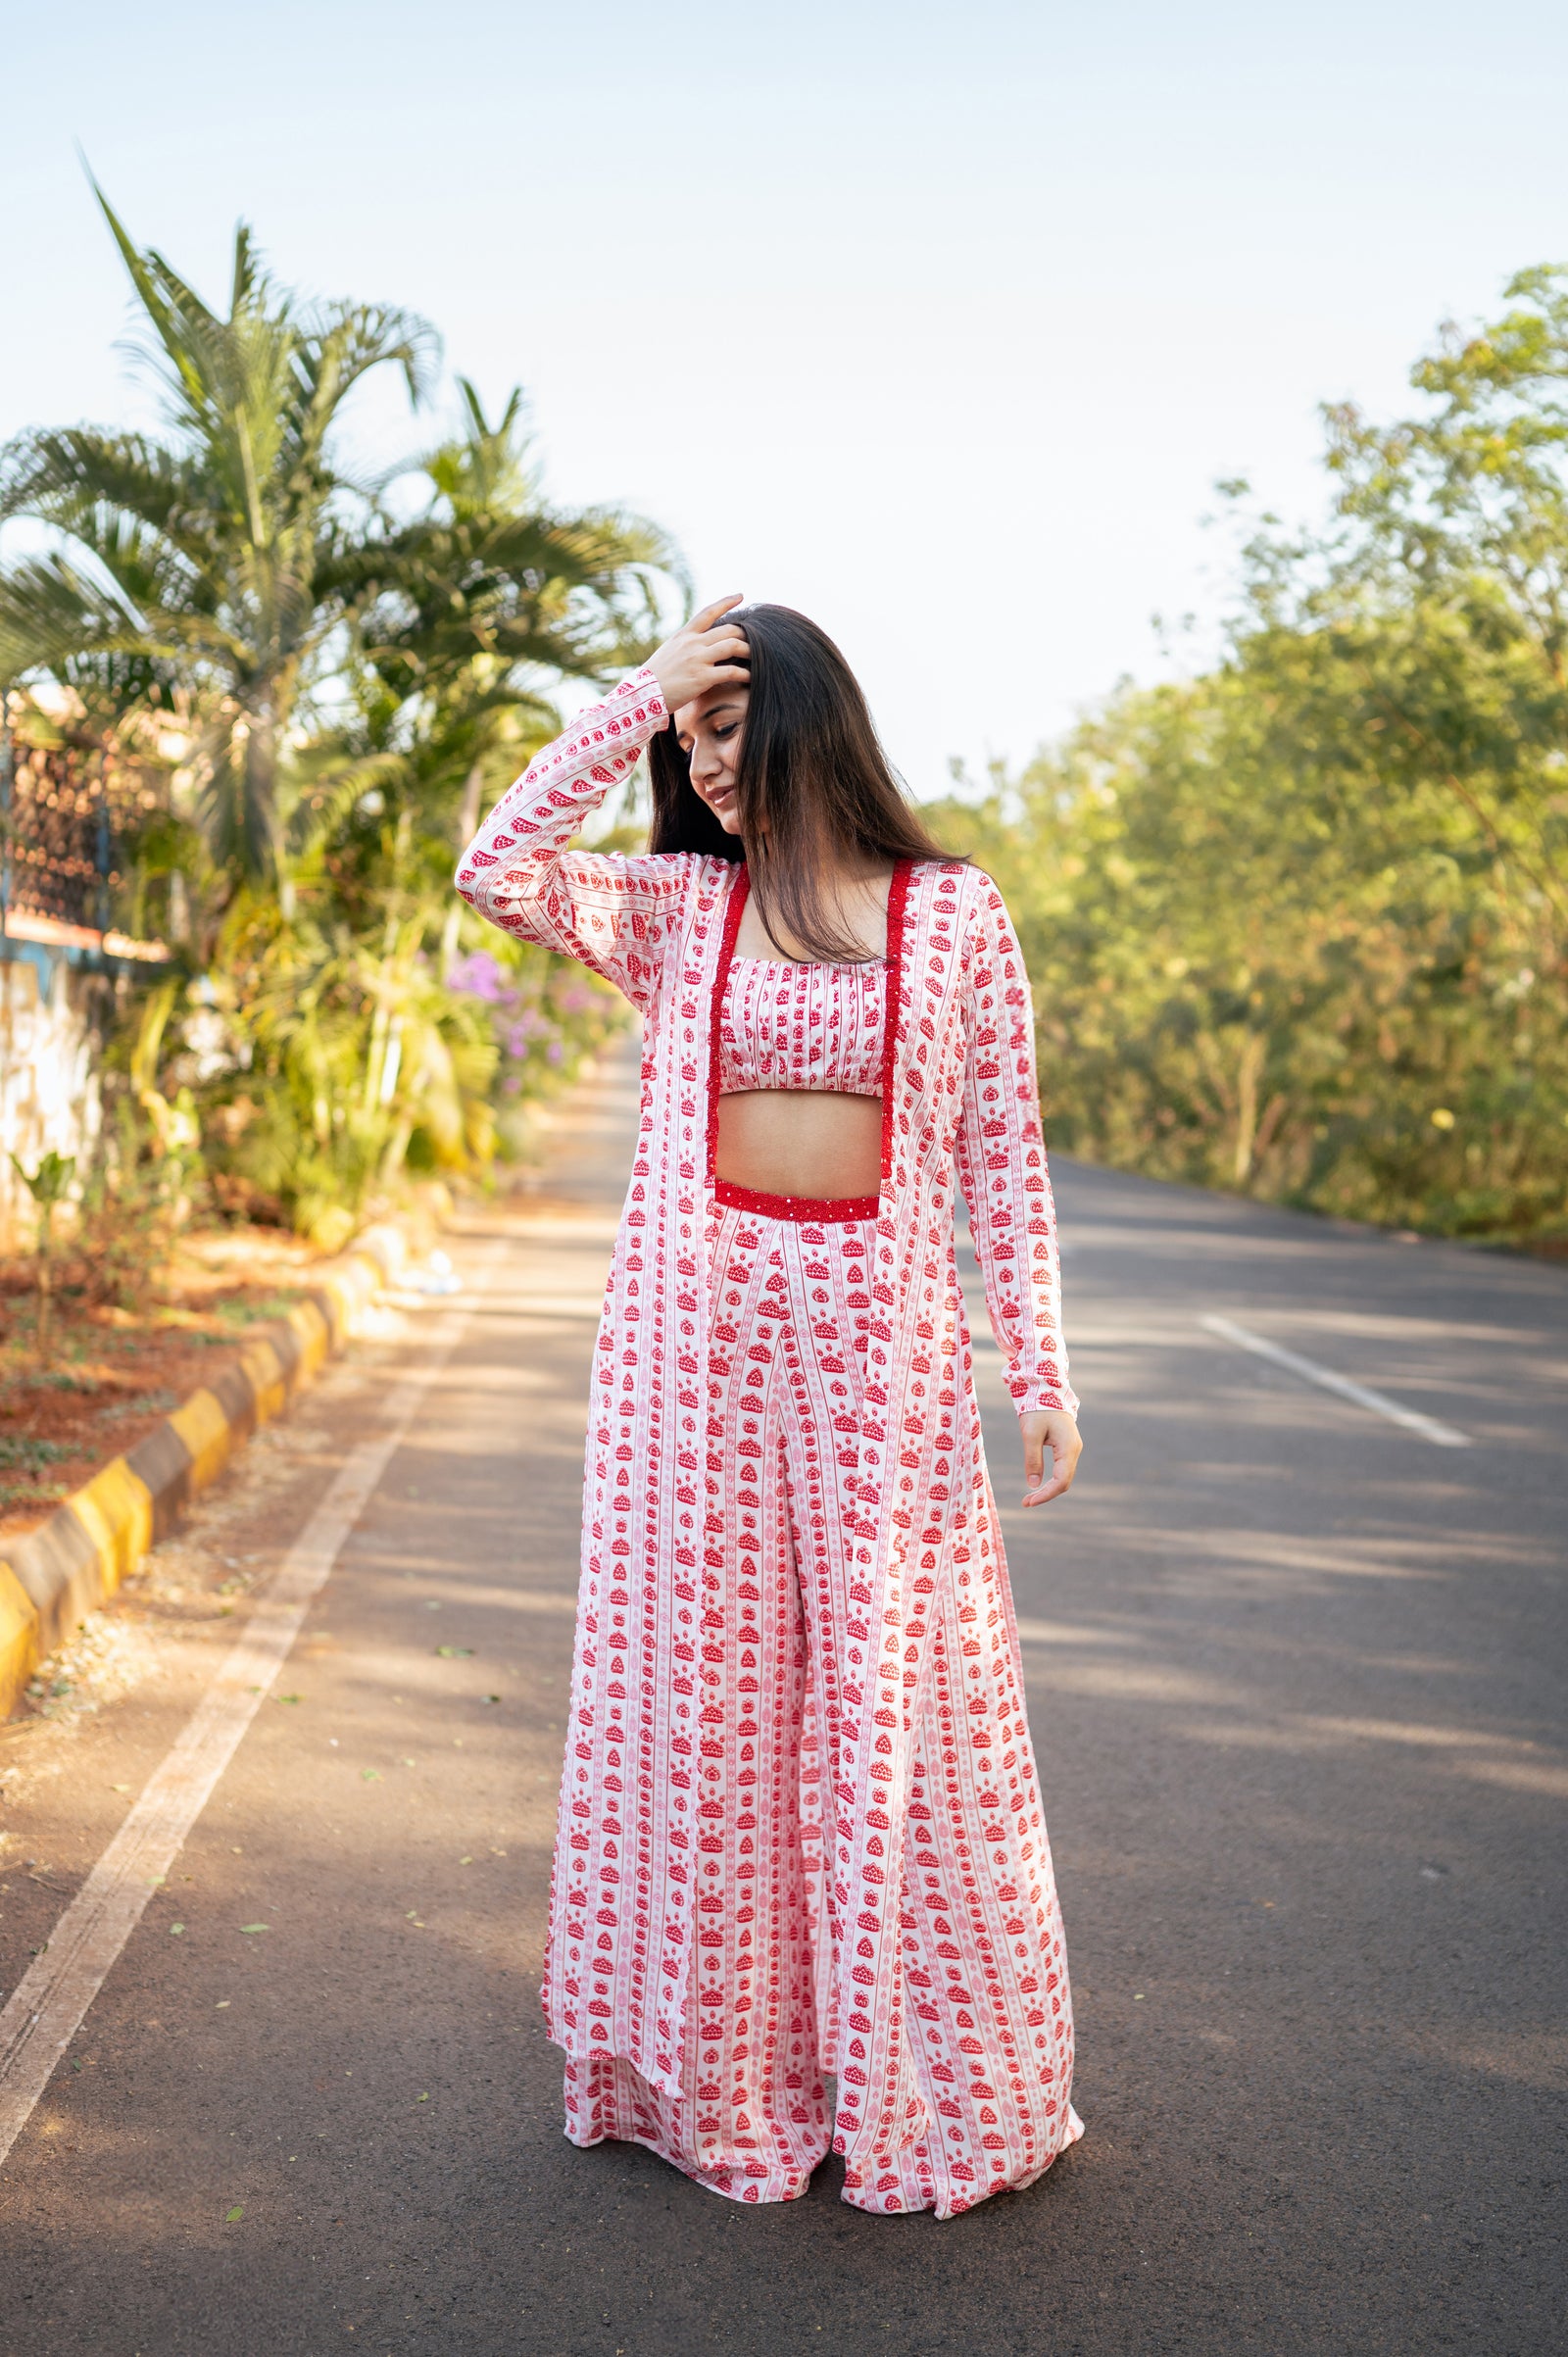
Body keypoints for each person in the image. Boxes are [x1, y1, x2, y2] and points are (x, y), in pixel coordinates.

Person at [456, 597, 1084, 2218]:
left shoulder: (955, 916)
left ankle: (910, 2084)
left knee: (891, 1719)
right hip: (692, 1369)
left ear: (808, 719)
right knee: (716, 1720)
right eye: (691, 739)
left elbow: (1001, 1156)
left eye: (726, 729)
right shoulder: (675, 908)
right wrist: (630, 703)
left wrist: (1041, 1362)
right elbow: (497, 869)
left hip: (886, 1373)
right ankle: (728, 2084)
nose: (704, 765)